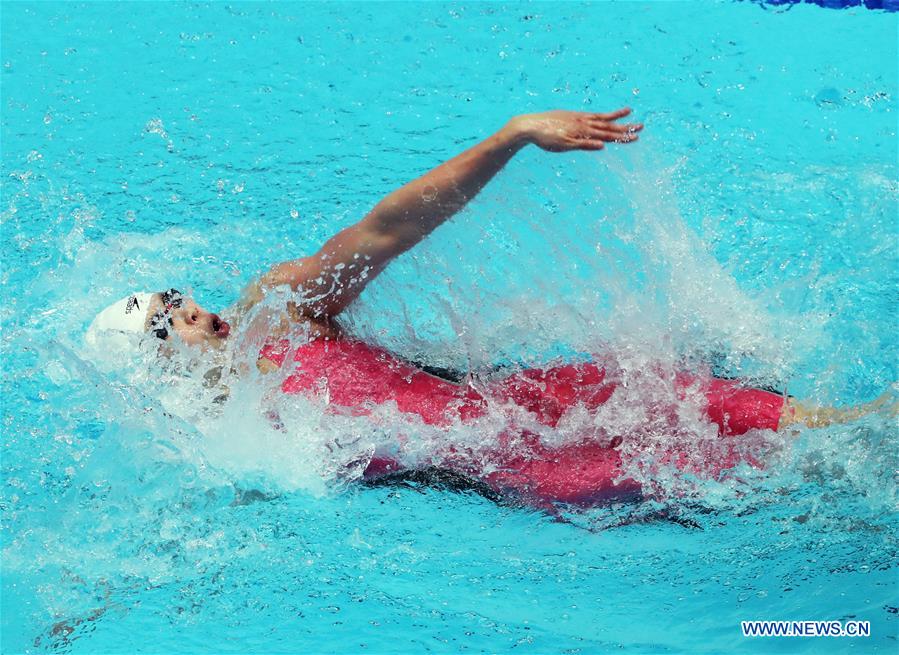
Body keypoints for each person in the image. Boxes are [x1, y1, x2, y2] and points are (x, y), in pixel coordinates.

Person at [86, 108, 891, 505]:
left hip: (526, 401)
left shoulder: (278, 312)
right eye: (167, 322)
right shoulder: (221, 447)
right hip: (530, 465)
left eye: (177, 296)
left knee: (725, 401)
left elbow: (384, 229)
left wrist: (508, 138)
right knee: (780, 474)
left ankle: (870, 417)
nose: (191, 311)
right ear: (158, 364)